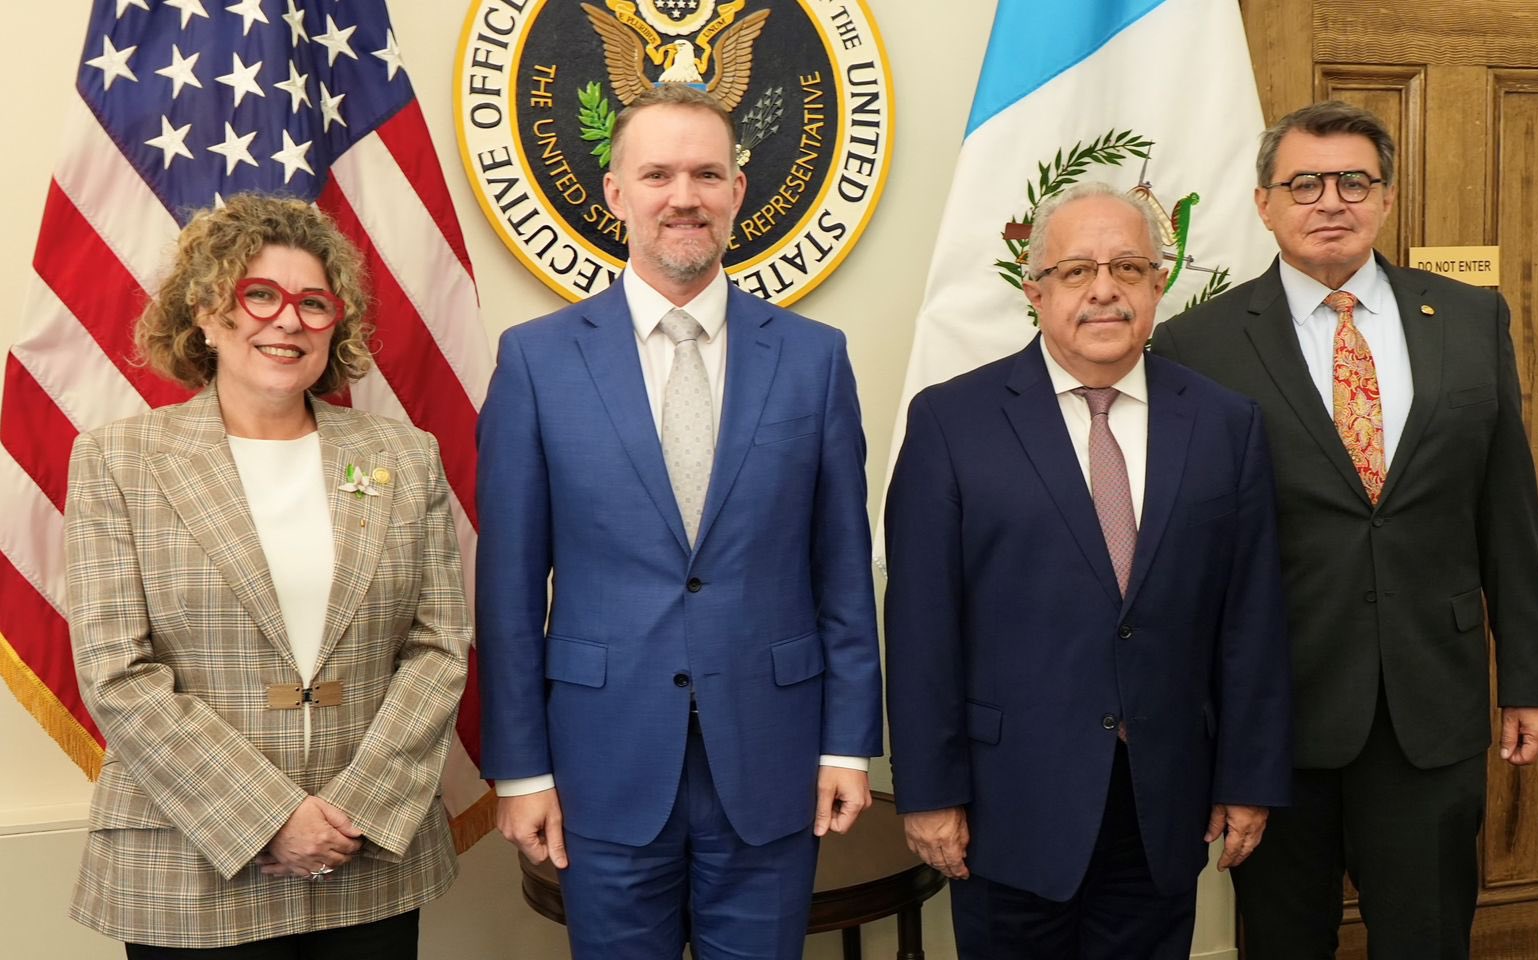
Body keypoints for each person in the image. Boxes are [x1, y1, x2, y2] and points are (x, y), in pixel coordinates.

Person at [475, 83, 883, 960]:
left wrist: (848, 746)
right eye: (657, 174)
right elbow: (507, 588)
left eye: (705, 174)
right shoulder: (537, 362)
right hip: (600, 761)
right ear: (616, 193)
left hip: (773, 758)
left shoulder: (815, 359)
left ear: (738, 190)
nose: (683, 196)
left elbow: (844, 572)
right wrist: (521, 765)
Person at [1150, 100, 1538, 958]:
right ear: (1264, 204)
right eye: (1304, 183)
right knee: (1284, 942)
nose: (1330, 201)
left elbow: (1506, 509)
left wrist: (1527, 677)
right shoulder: (1196, 346)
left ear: (1386, 197)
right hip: (1275, 718)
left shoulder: (1471, 319)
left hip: (1430, 706)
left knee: (1428, 938)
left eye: (1353, 181)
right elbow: (1187, 553)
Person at [885, 182, 1293, 959]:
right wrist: (930, 792)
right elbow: (921, 628)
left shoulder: (1225, 424)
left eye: (1128, 268)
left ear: (1158, 285)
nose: (1104, 290)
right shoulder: (951, 421)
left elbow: (1252, 621)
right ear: (1035, 290)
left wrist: (1248, 777)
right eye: (1076, 271)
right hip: (1008, 807)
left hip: (1162, 804)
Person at [64, 194, 471, 959]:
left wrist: (354, 809)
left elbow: (438, 647)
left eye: (313, 303)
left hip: (364, 860)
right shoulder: (118, 461)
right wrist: (269, 817)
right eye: (260, 295)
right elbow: (117, 671)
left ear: (335, 325)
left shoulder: (403, 456)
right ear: (206, 313)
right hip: (190, 870)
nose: (288, 321)